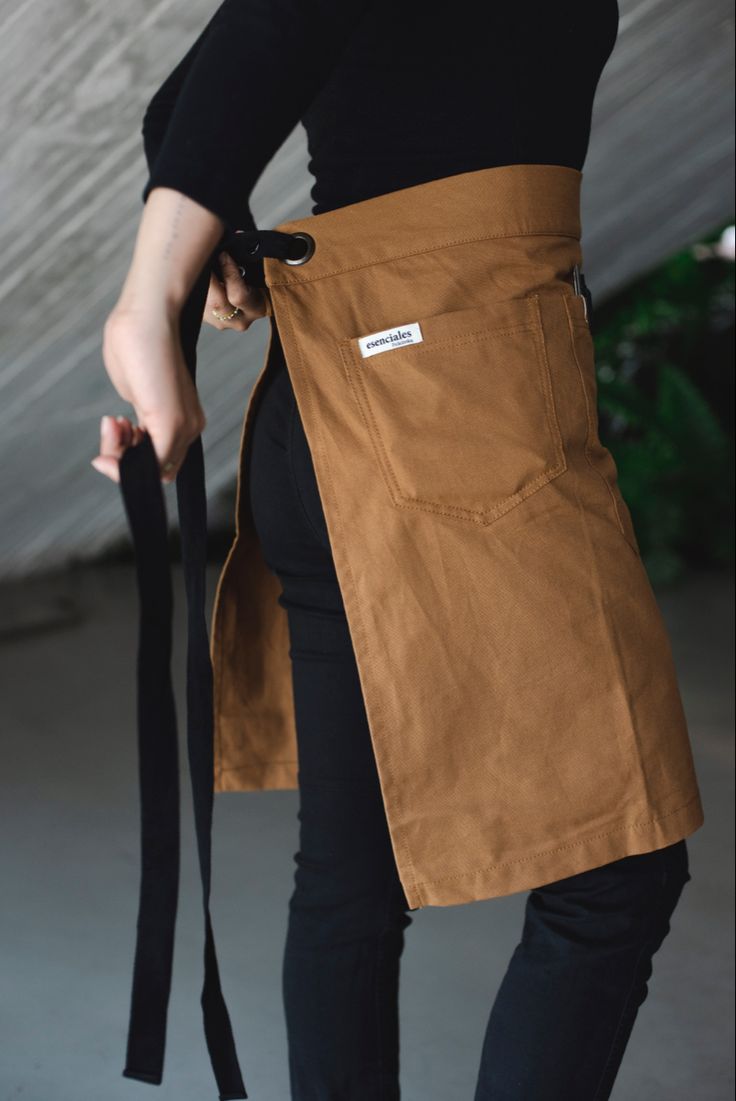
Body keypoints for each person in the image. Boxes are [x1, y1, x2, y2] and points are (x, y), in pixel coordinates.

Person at [93, 2, 705, 1099]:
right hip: (457, 395)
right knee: (617, 868)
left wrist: (200, 240)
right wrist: (150, 300)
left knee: (349, 882)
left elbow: (175, 106)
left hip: (335, 404)